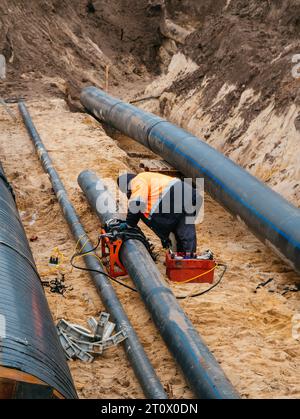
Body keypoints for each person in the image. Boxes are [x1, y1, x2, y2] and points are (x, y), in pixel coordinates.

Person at [117, 172, 202, 253]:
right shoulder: (149, 178)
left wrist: (129, 224)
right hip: (188, 194)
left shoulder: (137, 180)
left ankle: (188, 261)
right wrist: (164, 235)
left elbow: (137, 202)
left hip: (173, 197)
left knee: (183, 231)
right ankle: (184, 259)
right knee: (182, 230)